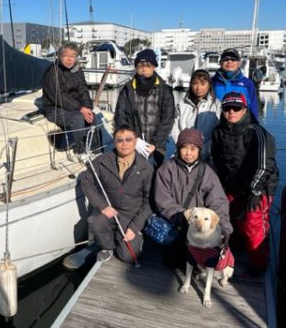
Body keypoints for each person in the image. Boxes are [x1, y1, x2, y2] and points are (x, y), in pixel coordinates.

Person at [211, 91, 279, 276]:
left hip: (260, 186)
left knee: (252, 222)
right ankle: (234, 247)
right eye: (227, 108)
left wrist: (255, 191)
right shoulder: (218, 131)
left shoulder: (257, 132)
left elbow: (265, 165)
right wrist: (217, 187)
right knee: (224, 216)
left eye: (236, 108)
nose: (231, 112)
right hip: (233, 184)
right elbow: (216, 161)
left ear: (245, 109)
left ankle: (258, 262)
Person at [154, 128, 233, 269]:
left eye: (193, 148)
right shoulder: (167, 169)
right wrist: (182, 216)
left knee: (202, 263)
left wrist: (224, 228)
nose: (188, 153)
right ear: (178, 149)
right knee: (172, 263)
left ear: (199, 150)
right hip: (178, 222)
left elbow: (218, 202)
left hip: (200, 226)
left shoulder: (207, 172)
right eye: (184, 148)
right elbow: (162, 199)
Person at [80, 125, 153, 263]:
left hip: (131, 214)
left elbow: (149, 201)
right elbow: (86, 182)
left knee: (128, 257)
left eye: (128, 139)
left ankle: (136, 236)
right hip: (110, 209)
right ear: (114, 142)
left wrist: (134, 227)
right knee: (95, 221)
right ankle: (107, 247)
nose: (124, 144)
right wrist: (102, 206)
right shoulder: (101, 161)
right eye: (120, 140)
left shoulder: (146, 168)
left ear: (135, 141)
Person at [114, 48, 175, 167]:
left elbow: (168, 118)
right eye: (140, 65)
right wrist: (133, 139)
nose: (144, 69)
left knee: (155, 174)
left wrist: (155, 144)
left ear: (154, 66)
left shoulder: (164, 89)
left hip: (157, 147)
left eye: (148, 65)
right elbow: (120, 116)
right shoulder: (127, 89)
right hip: (133, 145)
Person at [42, 42, 96, 160]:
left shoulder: (77, 71)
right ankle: (80, 151)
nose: (69, 59)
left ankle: (94, 149)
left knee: (92, 116)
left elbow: (83, 90)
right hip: (54, 108)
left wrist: (87, 107)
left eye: (73, 56)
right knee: (77, 117)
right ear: (60, 56)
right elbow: (58, 95)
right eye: (66, 55)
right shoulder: (52, 71)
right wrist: (80, 108)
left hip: (73, 107)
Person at [171, 69, 221, 162]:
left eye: (203, 84)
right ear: (191, 85)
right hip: (185, 153)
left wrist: (207, 149)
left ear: (209, 85)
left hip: (206, 154)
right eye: (195, 83)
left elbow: (217, 130)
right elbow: (174, 127)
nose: (198, 88)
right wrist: (182, 146)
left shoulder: (216, 105)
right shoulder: (181, 104)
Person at [211, 48, 259, 120]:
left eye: (233, 59)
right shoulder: (212, 82)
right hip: (216, 123)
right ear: (220, 63)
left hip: (241, 125)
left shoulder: (248, 83)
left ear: (239, 63)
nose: (229, 62)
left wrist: (255, 123)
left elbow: (253, 107)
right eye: (226, 59)